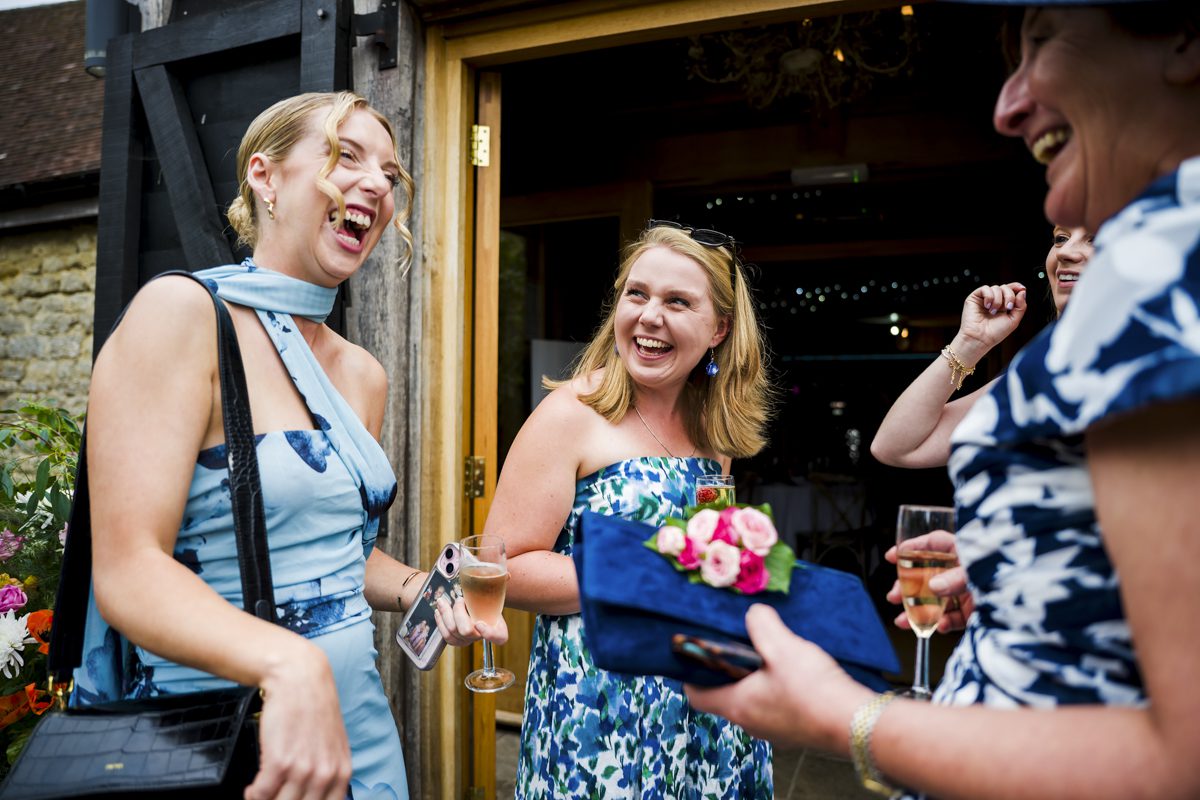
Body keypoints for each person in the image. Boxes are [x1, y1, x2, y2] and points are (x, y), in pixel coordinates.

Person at [685, 3, 1200, 800]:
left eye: (1043, 43)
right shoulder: (1140, 287)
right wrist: (1019, 562)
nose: (1008, 104)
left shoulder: (1171, 279)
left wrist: (847, 719)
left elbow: (1181, 754)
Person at [79, 91, 506, 800]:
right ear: (265, 177)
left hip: (356, 729)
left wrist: (420, 587)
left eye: (391, 174)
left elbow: (332, 549)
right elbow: (127, 571)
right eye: (346, 155)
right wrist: (288, 663)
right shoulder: (181, 316)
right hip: (221, 734)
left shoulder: (362, 375)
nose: (377, 182)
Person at [484, 222, 775, 798]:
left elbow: (708, 560)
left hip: (708, 700)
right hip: (604, 713)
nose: (649, 316)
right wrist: (653, 565)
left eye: (677, 301)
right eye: (636, 294)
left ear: (718, 329)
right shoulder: (571, 415)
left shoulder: (712, 428)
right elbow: (503, 568)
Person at [871, 225, 1093, 470]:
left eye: (1096, 238)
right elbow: (895, 448)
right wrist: (970, 343)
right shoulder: (1030, 384)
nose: (1065, 252)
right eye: (1061, 238)